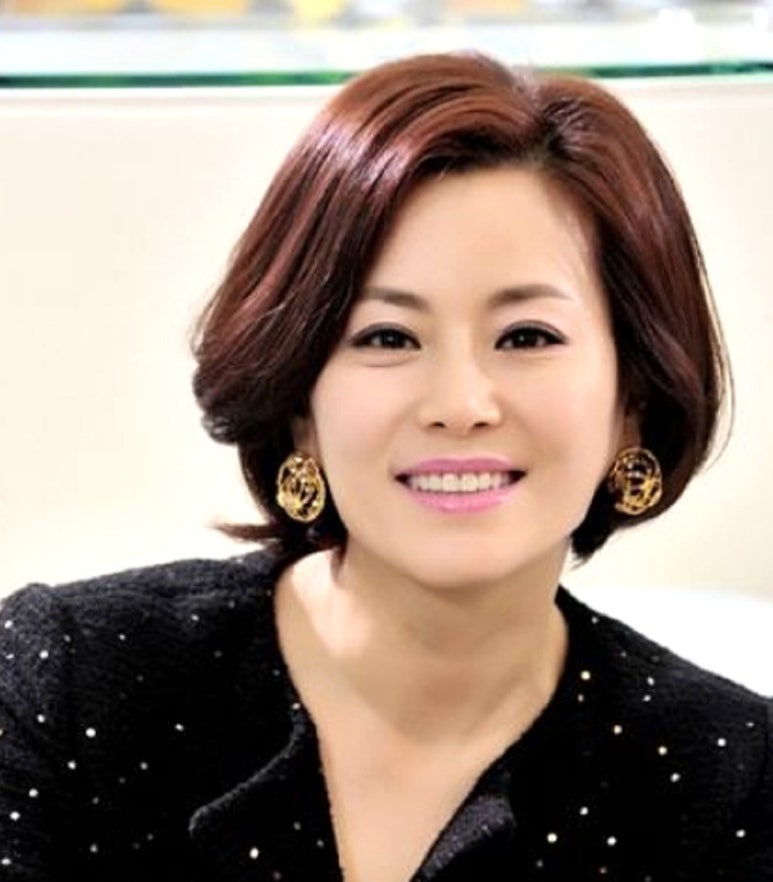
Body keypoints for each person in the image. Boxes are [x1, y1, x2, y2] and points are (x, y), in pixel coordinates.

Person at [0, 51, 770, 882]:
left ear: (634, 401)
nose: (460, 403)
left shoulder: (730, 781)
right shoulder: (70, 680)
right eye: (387, 338)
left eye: (526, 337)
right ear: (299, 403)